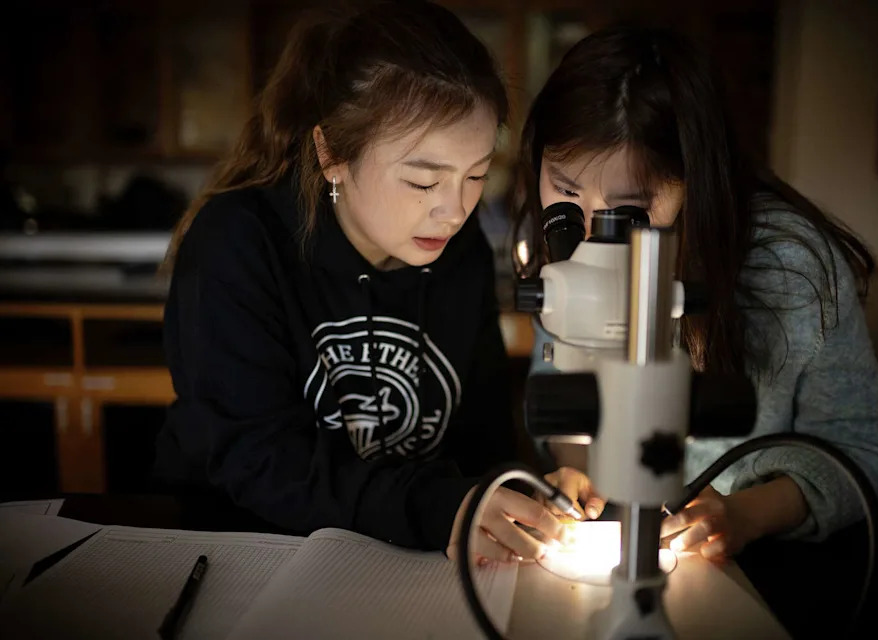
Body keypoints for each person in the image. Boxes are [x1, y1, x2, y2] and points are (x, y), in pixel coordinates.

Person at [154, 1, 600, 568]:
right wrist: (438, 507)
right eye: (423, 181)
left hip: (397, 561)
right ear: (332, 154)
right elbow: (257, 459)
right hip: (232, 552)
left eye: (477, 175)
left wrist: (518, 494)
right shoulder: (239, 242)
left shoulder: (455, 249)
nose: (454, 211)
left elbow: (480, 432)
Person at [511, 26, 878, 636]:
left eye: (628, 209)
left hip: (768, 567)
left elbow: (861, 455)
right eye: (564, 189)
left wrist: (743, 515)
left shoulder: (791, 267)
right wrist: (580, 466)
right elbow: (560, 394)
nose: (588, 230)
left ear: (693, 182)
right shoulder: (555, 249)